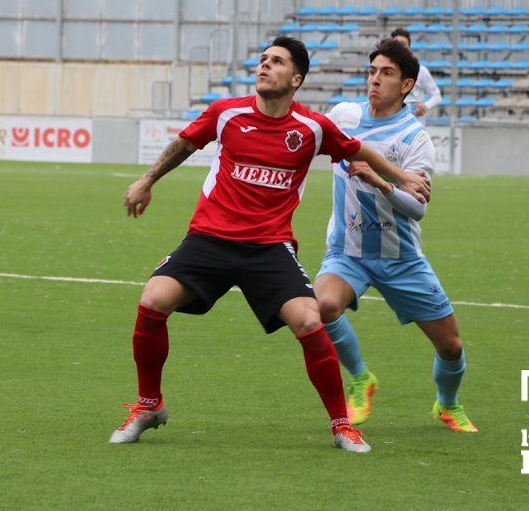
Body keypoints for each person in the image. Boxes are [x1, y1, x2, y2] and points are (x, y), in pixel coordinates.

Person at [109, 36, 431, 453]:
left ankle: (342, 426)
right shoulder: (227, 113)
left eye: (276, 62)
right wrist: (148, 180)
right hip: (210, 238)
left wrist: (403, 178)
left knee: (310, 319)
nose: (264, 66)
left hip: (269, 246)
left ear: (295, 78)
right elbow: (186, 143)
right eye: (262, 60)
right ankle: (149, 405)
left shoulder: (313, 128)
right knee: (154, 298)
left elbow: (356, 150)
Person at [316, 38, 477, 432]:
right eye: (372, 71)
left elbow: (418, 207)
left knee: (451, 346)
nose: (375, 80)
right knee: (321, 307)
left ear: (407, 85)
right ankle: (359, 378)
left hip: (401, 257)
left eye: (386, 73)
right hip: (347, 252)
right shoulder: (344, 115)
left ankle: (447, 404)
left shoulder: (415, 137)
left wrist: (382, 181)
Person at [390, 28, 442, 119]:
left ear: (409, 47)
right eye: (396, 44)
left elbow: (437, 96)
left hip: (415, 126)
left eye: (403, 44)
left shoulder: (421, 71)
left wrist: (425, 106)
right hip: (392, 126)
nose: (399, 47)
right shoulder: (384, 72)